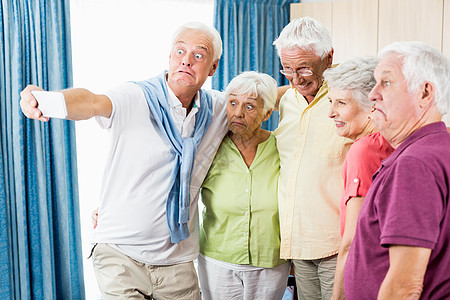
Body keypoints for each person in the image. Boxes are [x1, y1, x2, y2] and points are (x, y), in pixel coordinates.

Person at [20, 22, 229, 299]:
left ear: (213, 67)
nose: (186, 61)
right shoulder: (137, 96)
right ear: (169, 57)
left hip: (177, 263)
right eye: (179, 51)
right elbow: (92, 102)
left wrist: (303, 81)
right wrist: (45, 99)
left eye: (198, 55)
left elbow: (265, 97)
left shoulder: (218, 109)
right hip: (120, 255)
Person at [345, 41, 450, 299]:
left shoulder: (416, 163)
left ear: (425, 93)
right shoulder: (437, 149)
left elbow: (404, 286)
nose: (372, 94)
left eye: (386, 83)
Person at [272, 17, 352, 300]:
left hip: (339, 244)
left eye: (304, 67)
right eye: (287, 69)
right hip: (299, 242)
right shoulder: (286, 100)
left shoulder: (350, 96)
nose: (296, 78)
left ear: (329, 58)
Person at [197, 71, 290, 300]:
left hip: (270, 261)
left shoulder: (281, 146)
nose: (238, 113)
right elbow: (174, 183)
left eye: (249, 106)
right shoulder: (210, 146)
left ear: (267, 112)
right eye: (233, 103)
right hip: (217, 260)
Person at [323, 57, 394, 300]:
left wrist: (337, 297)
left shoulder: (364, 151)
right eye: (331, 101)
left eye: (341, 103)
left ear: (372, 104)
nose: (331, 113)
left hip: (369, 279)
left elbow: (352, 241)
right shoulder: (398, 140)